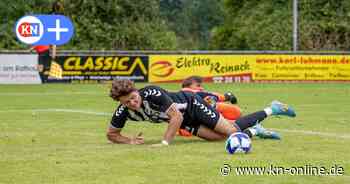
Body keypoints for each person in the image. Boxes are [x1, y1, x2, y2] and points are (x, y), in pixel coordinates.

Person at [106, 79, 296, 145]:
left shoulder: (150, 92)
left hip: (192, 104)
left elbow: (176, 116)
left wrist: (165, 143)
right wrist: (129, 140)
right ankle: (255, 131)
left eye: (133, 97)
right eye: (127, 101)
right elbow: (111, 134)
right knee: (220, 139)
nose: (132, 102)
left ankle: (273, 108)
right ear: (120, 102)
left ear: (135, 91)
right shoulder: (123, 110)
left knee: (230, 131)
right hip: (186, 120)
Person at [179, 76, 281, 139]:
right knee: (228, 128)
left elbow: (211, 97)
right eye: (198, 85)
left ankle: (269, 113)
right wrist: (227, 96)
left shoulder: (189, 95)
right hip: (194, 121)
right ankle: (256, 129)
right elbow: (213, 96)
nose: (201, 88)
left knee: (231, 125)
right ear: (188, 86)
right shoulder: (187, 93)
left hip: (199, 118)